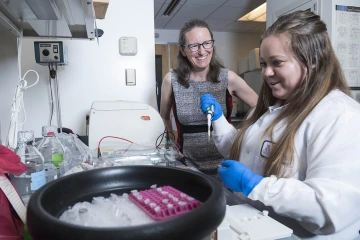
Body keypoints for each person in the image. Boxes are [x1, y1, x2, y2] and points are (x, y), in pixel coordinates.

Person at [200, 11, 360, 239]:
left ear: (312, 61)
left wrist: (254, 185)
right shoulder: (272, 107)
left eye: (277, 62)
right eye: (264, 63)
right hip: (255, 226)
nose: (266, 72)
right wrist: (218, 120)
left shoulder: (340, 116)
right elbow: (244, 151)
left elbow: (329, 208)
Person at [160, 19, 258, 180]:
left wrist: (241, 136)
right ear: (183, 50)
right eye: (194, 46)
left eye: (207, 43)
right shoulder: (172, 80)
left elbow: (260, 108)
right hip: (188, 165)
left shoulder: (228, 78)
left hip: (225, 165)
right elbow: (164, 117)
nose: (202, 51)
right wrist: (170, 144)